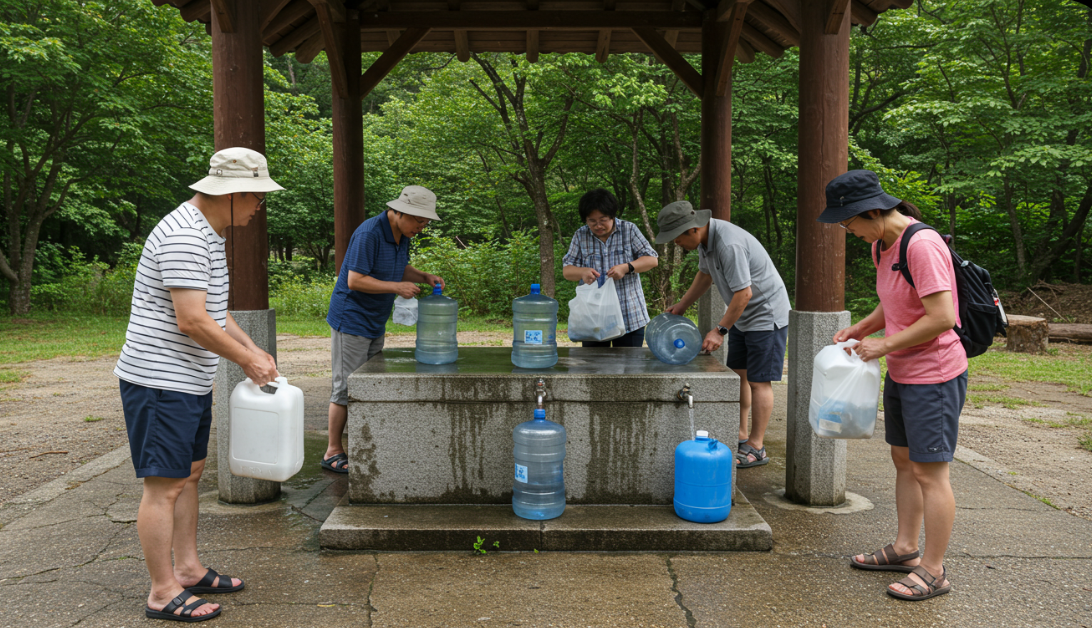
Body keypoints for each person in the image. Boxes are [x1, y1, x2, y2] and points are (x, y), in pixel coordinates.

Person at [114, 147, 283, 622]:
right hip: (160, 381)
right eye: (257, 198)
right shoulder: (186, 236)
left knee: (188, 474)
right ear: (234, 192)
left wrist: (253, 348)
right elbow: (191, 320)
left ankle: (187, 569)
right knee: (163, 486)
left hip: (187, 379)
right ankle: (162, 591)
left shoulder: (208, 232)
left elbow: (215, 311)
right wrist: (247, 362)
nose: (259, 207)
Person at [822, 170, 967, 601]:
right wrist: (862, 328)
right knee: (904, 461)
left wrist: (882, 345)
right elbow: (894, 302)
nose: (848, 231)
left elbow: (942, 317)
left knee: (930, 472)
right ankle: (905, 549)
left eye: (848, 222)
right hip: (903, 370)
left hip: (934, 374)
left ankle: (934, 570)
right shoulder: (880, 245)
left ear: (871, 211)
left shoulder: (921, 244)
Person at [654, 201, 790, 468]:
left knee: (759, 382)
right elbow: (705, 275)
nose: (676, 243)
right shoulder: (706, 241)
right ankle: (740, 433)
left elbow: (744, 293)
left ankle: (757, 446)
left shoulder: (729, 244)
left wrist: (720, 330)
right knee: (739, 375)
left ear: (693, 229)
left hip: (766, 315)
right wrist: (682, 305)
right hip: (742, 315)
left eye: (677, 238)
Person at [321, 186, 445, 473]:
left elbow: (399, 267)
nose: (421, 227)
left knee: (366, 382)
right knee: (345, 386)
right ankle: (332, 451)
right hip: (351, 319)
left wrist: (423, 276)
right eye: (418, 220)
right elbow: (355, 280)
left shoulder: (403, 235)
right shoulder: (370, 233)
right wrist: (396, 287)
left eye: (425, 222)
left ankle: (363, 442)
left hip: (375, 319)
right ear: (399, 211)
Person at [561, 188, 659, 347]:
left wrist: (626, 267)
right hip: (593, 319)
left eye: (603, 220)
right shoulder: (581, 235)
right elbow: (567, 271)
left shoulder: (629, 230)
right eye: (592, 221)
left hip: (629, 316)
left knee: (630, 362)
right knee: (594, 363)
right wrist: (582, 272)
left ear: (612, 216)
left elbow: (652, 260)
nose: (598, 225)